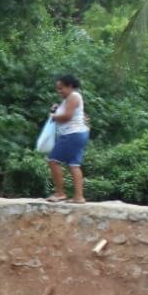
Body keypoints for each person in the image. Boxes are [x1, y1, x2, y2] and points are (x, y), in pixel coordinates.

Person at [47, 75, 90, 203]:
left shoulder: (73, 96)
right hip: (79, 133)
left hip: (72, 134)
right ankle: (79, 197)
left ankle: (60, 193)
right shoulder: (70, 98)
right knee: (73, 165)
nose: (59, 91)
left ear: (70, 86)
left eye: (61, 88)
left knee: (53, 161)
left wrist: (53, 117)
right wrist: (56, 110)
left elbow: (67, 116)